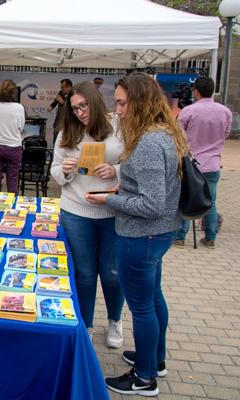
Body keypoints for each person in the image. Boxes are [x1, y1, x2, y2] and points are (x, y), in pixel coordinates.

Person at [86, 72, 188, 397]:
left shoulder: (147, 142)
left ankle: (144, 377)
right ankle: (154, 359)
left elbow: (151, 203)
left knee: (142, 306)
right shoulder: (163, 134)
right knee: (154, 297)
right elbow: (153, 189)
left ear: (140, 102)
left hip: (140, 235)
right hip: (157, 235)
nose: (117, 110)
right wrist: (123, 184)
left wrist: (110, 198)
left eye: (121, 103)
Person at [50, 81, 125, 348]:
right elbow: (56, 172)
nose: (80, 112)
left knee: (113, 273)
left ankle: (115, 320)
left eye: (83, 106)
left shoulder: (117, 125)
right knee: (84, 273)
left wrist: (115, 170)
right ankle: (87, 325)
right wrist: (67, 170)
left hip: (112, 211)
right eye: (74, 108)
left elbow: (132, 161)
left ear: (94, 101)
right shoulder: (66, 132)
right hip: (76, 211)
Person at [174, 76, 232, 249]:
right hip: (213, 163)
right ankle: (210, 237)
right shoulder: (225, 111)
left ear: (196, 92)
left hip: (191, 162)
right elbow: (226, 133)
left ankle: (180, 237)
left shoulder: (189, 111)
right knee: (210, 201)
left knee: (186, 196)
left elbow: (177, 134)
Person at [0, 79, 25, 193]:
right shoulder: (19, 107)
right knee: (13, 180)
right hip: (13, 148)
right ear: (14, 92)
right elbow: (21, 128)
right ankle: (12, 208)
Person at [48, 78, 73, 146]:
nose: (61, 89)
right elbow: (56, 100)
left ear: (69, 87)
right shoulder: (61, 93)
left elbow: (73, 109)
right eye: (61, 87)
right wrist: (51, 106)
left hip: (67, 124)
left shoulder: (73, 95)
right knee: (56, 143)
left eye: (63, 87)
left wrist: (62, 102)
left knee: (65, 145)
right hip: (58, 123)